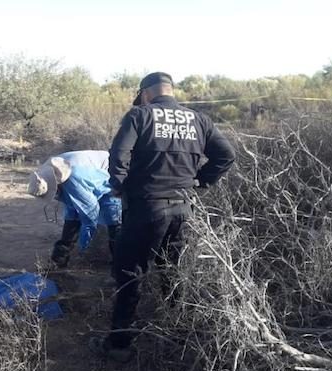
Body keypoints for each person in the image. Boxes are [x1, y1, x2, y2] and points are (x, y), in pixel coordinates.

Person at [89, 72, 236, 362]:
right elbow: (226, 155)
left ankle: (119, 345)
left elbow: (119, 154)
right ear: (170, 91)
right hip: (183, 209)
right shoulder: (199, 120)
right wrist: (200, 182)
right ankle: (178, 338)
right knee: (173, 272)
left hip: (146, 208)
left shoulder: (139, 116)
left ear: (146, 94)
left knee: (130, 274)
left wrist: (118, 185)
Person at [27, 150, 121, 268]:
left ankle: (120, 266)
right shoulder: (48, 173)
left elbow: (91, 214)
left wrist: (82, 249)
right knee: (72, 217)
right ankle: (59, 261)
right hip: (86, 174)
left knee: (113, 220)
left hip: (112, 176)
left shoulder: (74, 181)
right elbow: (73, 208)